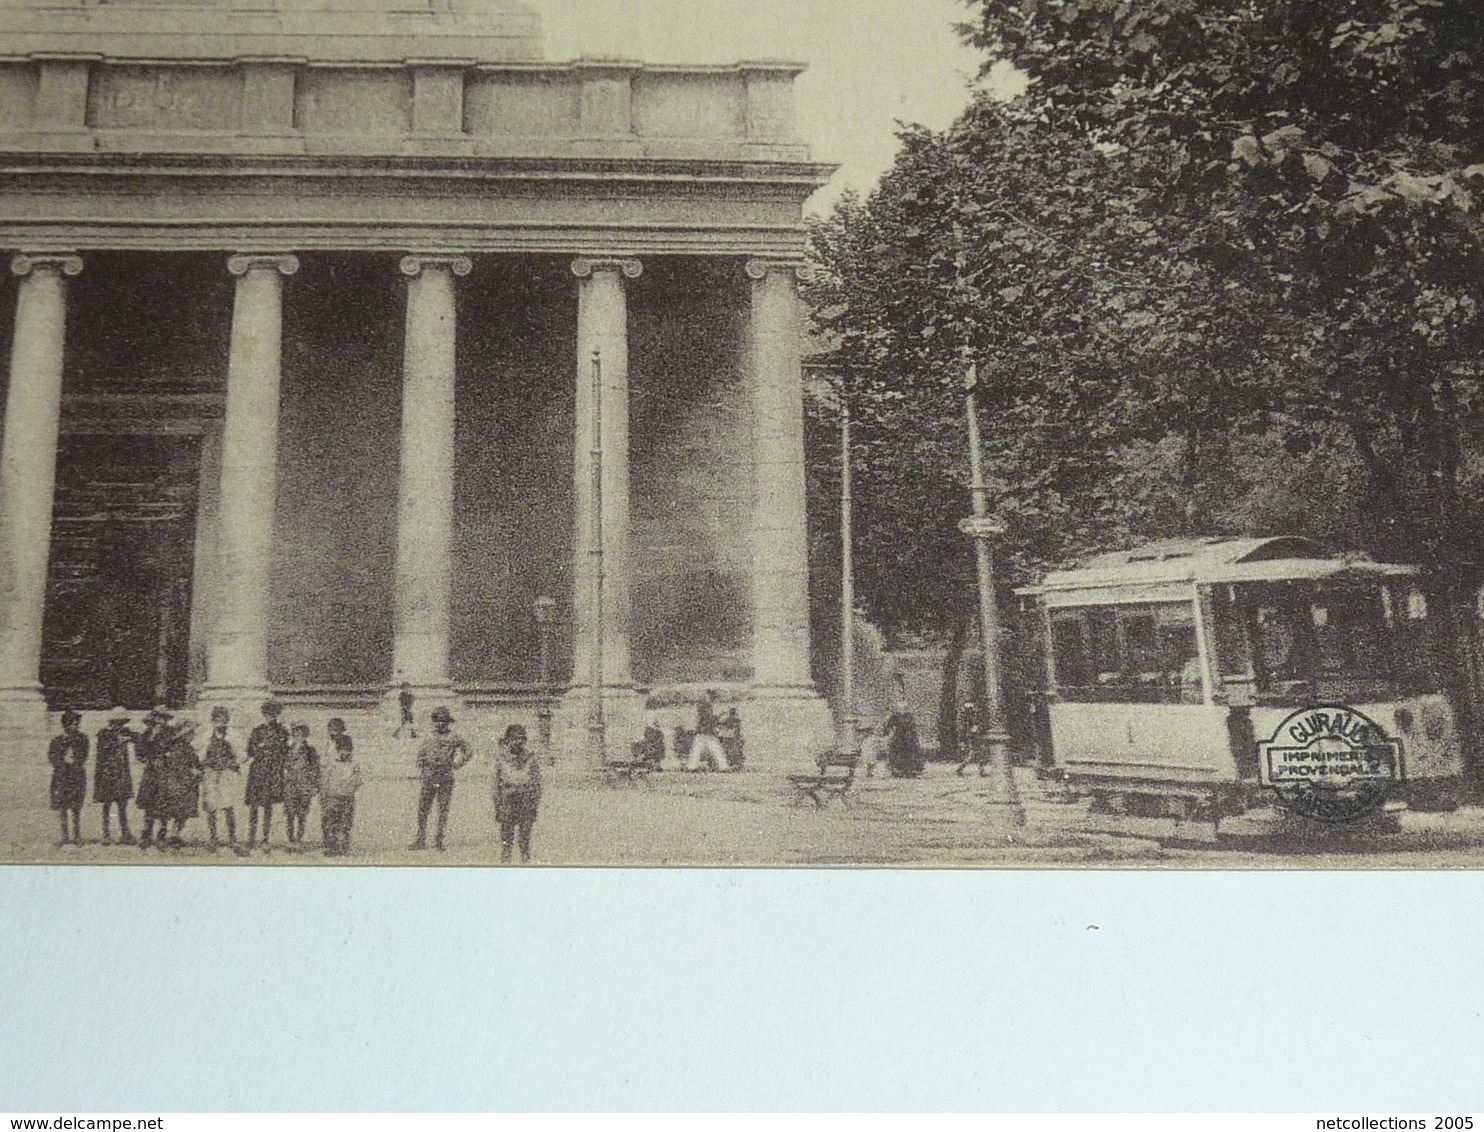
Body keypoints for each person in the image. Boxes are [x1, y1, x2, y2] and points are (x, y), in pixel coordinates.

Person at [410, 705, 472, 851]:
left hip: (445, 775)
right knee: (423, 808)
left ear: (448, 722)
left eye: (443, 721)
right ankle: (420, 838)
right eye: (437, 720)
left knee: (443, 808)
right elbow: (421, 756)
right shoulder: (428, 737)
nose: (440, 724)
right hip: (430, 775)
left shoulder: (454, 737)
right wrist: (423, 769)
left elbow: (468, 750)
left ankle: (439, 839)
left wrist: (458, 764)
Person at [494, 724, 542, 864]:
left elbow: (537, 781)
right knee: (507, 835)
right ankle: (506, 860)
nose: (518, 742)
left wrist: (534, 801)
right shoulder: (501, 759)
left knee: (525, 835)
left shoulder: (530, 758)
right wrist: (498, 804)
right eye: (515, 739)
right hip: (507, 799)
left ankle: (525, 860)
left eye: (521, 739)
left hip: (526, 799)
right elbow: (495, 783)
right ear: (508, 740)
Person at [245, 700, 288, 853]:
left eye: (274, 714)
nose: (271, 717)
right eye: (268, 714)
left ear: (277, 715)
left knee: (268, 806)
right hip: (258, 770)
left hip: (272, 770)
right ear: (264, 715)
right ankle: (251, 838)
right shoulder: (258, 730)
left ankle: (265, 838)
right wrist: (259, 748)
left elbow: (284, 752)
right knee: (254, 806)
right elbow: (249, 750)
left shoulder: (282, 732)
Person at [200, 707, 245, 855]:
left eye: (222, 719)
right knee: (211, 806)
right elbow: (199, 754)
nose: (220, 722)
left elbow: (241, 755)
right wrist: (207, 763)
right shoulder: (207, 736)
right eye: (217, 719)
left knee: (228, 806)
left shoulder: (233, 736)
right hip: (211, 773)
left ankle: (232, 838)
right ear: (213, 721)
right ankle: (213, 838)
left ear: (227, 720)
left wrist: (232, 763)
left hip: (226, 774)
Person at [93, 706, 136, 845]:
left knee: (122, 806)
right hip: (108, 774)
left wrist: (128, 737)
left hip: (121, 773)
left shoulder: (125, 733)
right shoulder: (104, 734)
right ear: (112, 722)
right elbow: (103, 750)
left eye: (121, 722)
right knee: (107, 806)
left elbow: (138, 737)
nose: (119, 725)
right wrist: (117, 741)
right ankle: (106, 834)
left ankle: (125, 833)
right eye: (117, 722)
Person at [160, 719, 203, 848]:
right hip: (181, 783)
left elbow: (196, 763)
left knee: (179, 811)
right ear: (185, 735)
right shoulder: (181, 748)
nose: (193, 735)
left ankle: (173, 834)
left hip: (182, 783)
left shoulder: (184, 748)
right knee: (179, 810)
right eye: (191, 733)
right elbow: (178, 766)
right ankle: (173, 834)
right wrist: (194, 771)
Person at [134, 706, 173, 850]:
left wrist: (164, 759)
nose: (160, 722)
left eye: (162, 719)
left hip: (165, 772)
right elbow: (139, 753)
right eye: (157, 718)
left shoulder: (170, 734)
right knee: (149, 804)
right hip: (150, 773)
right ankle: (147, 834)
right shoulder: (145, 735)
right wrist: (149, 760)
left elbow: (173, 750)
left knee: (164, 804)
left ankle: (162, 835)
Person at [48, 710, 88, 847]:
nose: (75, 726)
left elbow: (84, 756)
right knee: (63, 807)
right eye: (72, 723)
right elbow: (52, 757)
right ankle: (65, 836)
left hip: (76, 775)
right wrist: (62, 761)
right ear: (65, 725)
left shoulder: (82, 739)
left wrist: (75, 761)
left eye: (77, 723)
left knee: (76, 807)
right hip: (62, 776)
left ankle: (77, 835)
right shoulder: (57, 740)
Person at [319, 732, 362, 857]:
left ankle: (343, 844)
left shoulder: (354, 765)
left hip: (347, 797)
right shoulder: (332, 764)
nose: (346, 753)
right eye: (343, 750)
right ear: (338, 751)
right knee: (331, 820)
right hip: (332, 796)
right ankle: (330, 845)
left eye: (348, 750)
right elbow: (325, 779)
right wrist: (326, 793)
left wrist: (350, 788)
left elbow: (358, 781)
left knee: (345, 821)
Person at [282, 723, 320, 848]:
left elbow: (316, 768)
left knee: (302, 813)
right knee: (290, 813)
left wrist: (315, 785)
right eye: (295, 734)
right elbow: (284, 765)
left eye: (301, 735)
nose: (297, 737)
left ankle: (299, 838)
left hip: (304, 784)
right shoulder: (288, 749)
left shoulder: (310, 751)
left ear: (305, 736)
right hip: (290, 784)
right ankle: (290, 838)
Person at [686, 689, 729, 771]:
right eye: (713, 698)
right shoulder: (706, 706)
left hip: (702, 730)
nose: (714, 700)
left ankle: (692, 766)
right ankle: (723, 767)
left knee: (697, 749)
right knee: (715, 748)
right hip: (707, 731)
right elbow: (709, 719)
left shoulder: (702, 705)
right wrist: (719, 716)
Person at [884, 703, 926, 778]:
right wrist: (888, 734)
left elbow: (913, 727)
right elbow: (888, 726)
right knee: (897, 752)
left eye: (905, 708)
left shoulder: (909, 716)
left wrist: (915, 737)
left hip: (909, 738)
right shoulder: (895, 717)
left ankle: (911, 770)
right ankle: (898, 770)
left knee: (911, 752)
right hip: (899, 737)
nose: (903, 709)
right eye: (901, 708)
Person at [954, 699, 987, 777]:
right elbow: (964, 728)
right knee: (973, 754)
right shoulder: (966, 718)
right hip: (972, 737)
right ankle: (960, 768)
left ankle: (981, 770)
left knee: (979, 753)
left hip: (975, 736)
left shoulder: (969, 717)